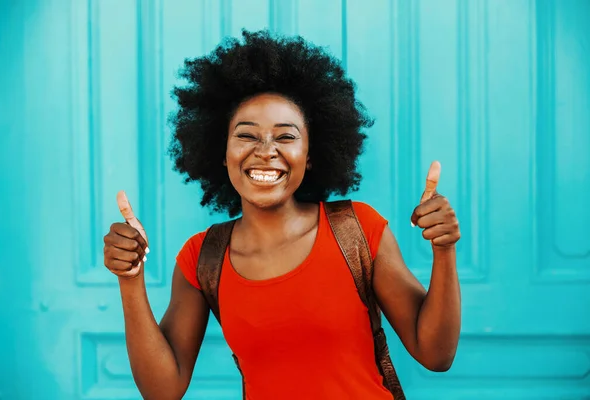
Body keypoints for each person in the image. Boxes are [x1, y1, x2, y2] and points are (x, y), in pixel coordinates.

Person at [103, 30, 461, 400]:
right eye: (247, 136)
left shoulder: (358, 229)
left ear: (311, 154)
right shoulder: (202, 257)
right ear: (222, 152)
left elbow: (436, 355)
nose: (265, 151)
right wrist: (130, 280)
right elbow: (163, 390)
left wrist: (444, 251)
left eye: (286, 137)